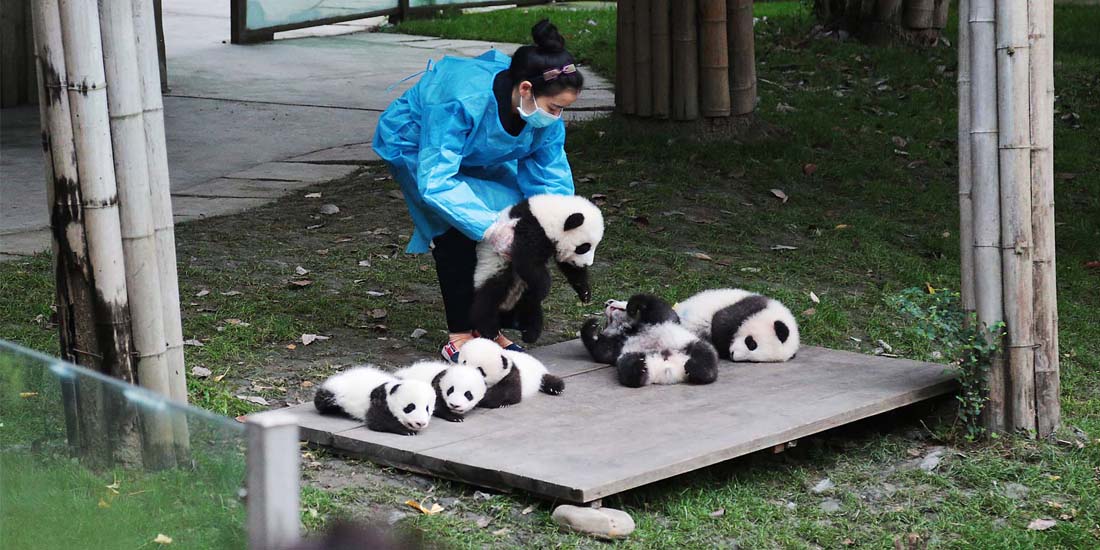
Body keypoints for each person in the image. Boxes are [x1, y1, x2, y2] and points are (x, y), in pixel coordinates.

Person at [372, 19, 585, 362]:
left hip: (480, 152)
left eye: (564, 108)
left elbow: (549, 177)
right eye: (555, 107)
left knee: (523, 222)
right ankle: (460, 336)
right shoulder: (461, 100)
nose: (557, 116)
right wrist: (491, 228)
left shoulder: (543, 117)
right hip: (419, 146)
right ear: (526, 89)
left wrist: (559, 224)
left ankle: (489, 329)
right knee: (455, 229)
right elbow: (437, 180)